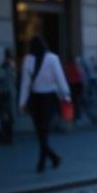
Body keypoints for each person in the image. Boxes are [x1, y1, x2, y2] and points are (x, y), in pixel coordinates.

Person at [18, 34, 69, 173]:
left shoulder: (28, 60)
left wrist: (22, 102)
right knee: (44, 130)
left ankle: (44, 162)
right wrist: (66, 96)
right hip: (49, 98)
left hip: (35, 98)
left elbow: (25, 83)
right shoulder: (53, 59)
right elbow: (60, 78)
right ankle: (51, 158)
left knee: (39, 131)